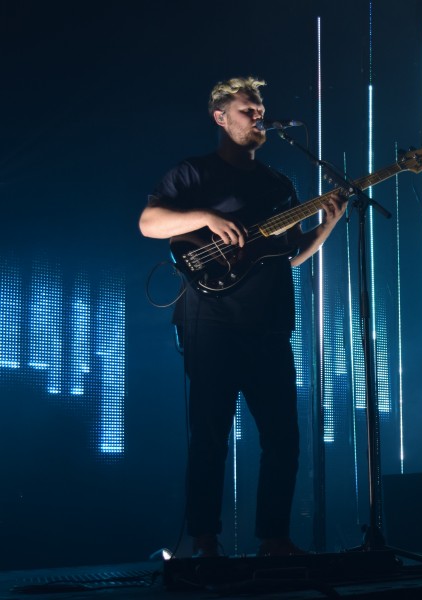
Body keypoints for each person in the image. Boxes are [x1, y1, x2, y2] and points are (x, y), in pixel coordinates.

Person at [139, 76, 347, 558]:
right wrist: (206, 219)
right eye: (248, 110)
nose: (259, 117)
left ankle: (274, 540)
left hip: (270, 323)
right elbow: (149, 223)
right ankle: (205, 542)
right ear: (221, 118)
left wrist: (328, 224)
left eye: (260, 109)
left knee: (284, 437)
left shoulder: (279, 184)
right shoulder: (193, 174)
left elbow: (290, 256)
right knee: (210, 434)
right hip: (210, 322)